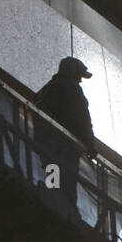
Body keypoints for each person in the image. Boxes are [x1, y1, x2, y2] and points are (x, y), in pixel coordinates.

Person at [35, 55, 97, 211]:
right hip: (64, 146)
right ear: (72, 72)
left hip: (46, 143)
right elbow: (83, 118)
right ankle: (66, 206)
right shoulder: (72, 88)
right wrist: (90, 145)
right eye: (79, 76)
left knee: (52, 170)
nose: (81, 80)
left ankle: (52, 196)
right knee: (67, 179)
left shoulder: (46, 89)